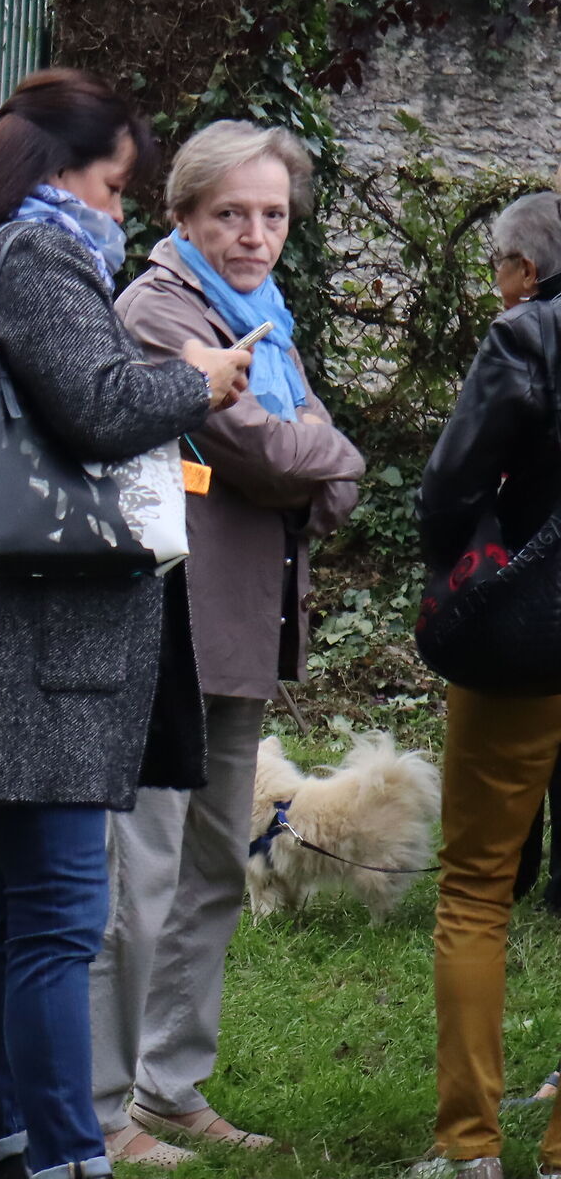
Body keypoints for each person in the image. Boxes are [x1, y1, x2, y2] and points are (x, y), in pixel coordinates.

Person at [0, 70, 249, 1179]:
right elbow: (99, 408)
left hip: (10, 618)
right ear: (62, 171)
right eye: (114, 184)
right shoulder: (39, 253)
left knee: (13, 909)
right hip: (49, 638)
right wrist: (197, 379)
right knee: (57, 915)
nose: (120, 208)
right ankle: (67, 1157)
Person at [98, 121, 365, 1166]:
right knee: (143, 871)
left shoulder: (261, 316)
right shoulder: (161, 308)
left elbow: (320, 465)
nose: (255, 235)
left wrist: (317, 456)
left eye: (272, 215)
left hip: (245, 619)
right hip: (171, 622)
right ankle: (103, 1106)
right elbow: (256, 443)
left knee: (214, 863)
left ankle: (171, 1083)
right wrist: (320, 453)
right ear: (184, 215)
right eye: (231, 214)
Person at [413, 190, 561, 1179]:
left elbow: (450, 484)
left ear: (520, 269)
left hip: (527, 641)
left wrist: (460, 569)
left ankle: (470, 1148)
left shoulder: (524, 338)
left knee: (475, 886)